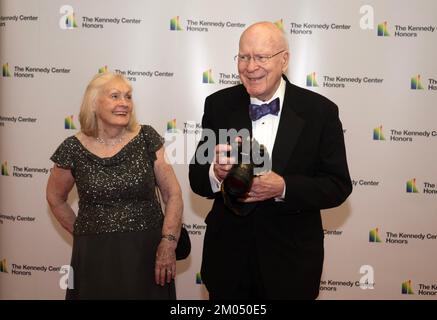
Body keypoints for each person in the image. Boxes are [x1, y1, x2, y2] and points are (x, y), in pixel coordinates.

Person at [189, 22, 352, 299]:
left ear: (284, 60)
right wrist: (216, 173)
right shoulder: (218, 105)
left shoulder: (320, 112)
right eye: (243, 57)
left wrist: (284, 187)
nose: (250, 66)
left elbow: (337, 185)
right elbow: (197, 178)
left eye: (261, 57)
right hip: (228, 264)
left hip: (291, 266)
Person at [46, 72, 183, 299]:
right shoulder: (72, 148)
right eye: (115, 96)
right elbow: (55, 197)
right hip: (94, 257)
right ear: (93, 103)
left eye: (128, 97)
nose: (124, 103)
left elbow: (173, 194)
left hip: (146, 254)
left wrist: (168, 244)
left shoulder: (147, 138)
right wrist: (84, 232)